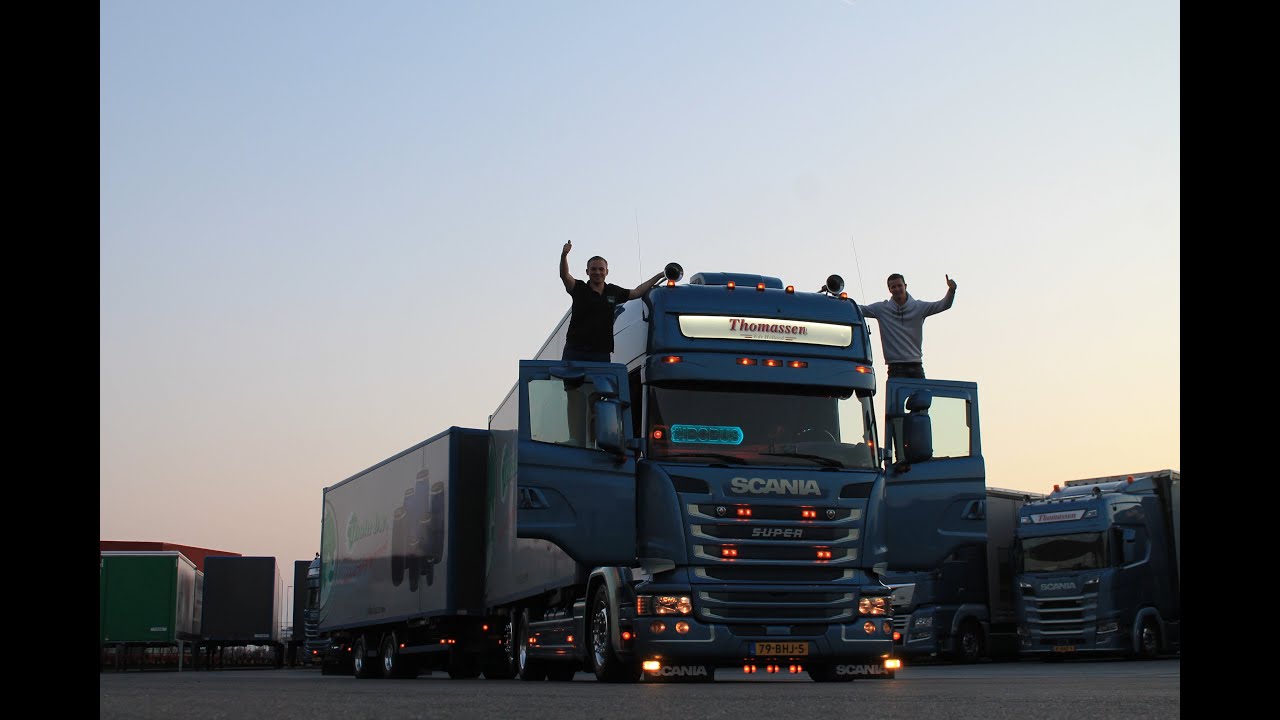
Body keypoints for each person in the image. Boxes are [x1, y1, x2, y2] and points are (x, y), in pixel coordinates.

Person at [559, 240, 665, 361]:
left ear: (607, 272)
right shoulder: (579, 288)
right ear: (587, 271)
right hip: (575, 351)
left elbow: (637, 292)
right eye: (593, 269)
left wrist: (660, 275)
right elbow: (564, 275)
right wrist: (564, 255)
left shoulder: (613, 291)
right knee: (571, 374)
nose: (597, 272)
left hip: (601, 352)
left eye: (601, 269)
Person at [857, 273, 957, 378]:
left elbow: (943, 305)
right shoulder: (882, 309)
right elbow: (860, 309)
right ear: (889, 290)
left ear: (905, 286)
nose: (897, 289)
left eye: (899, 285)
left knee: (921, 389)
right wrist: (844, 300)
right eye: (893, 287)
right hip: (895, 367)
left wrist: (951, 290)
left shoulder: (919, 307)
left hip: (916, 365)